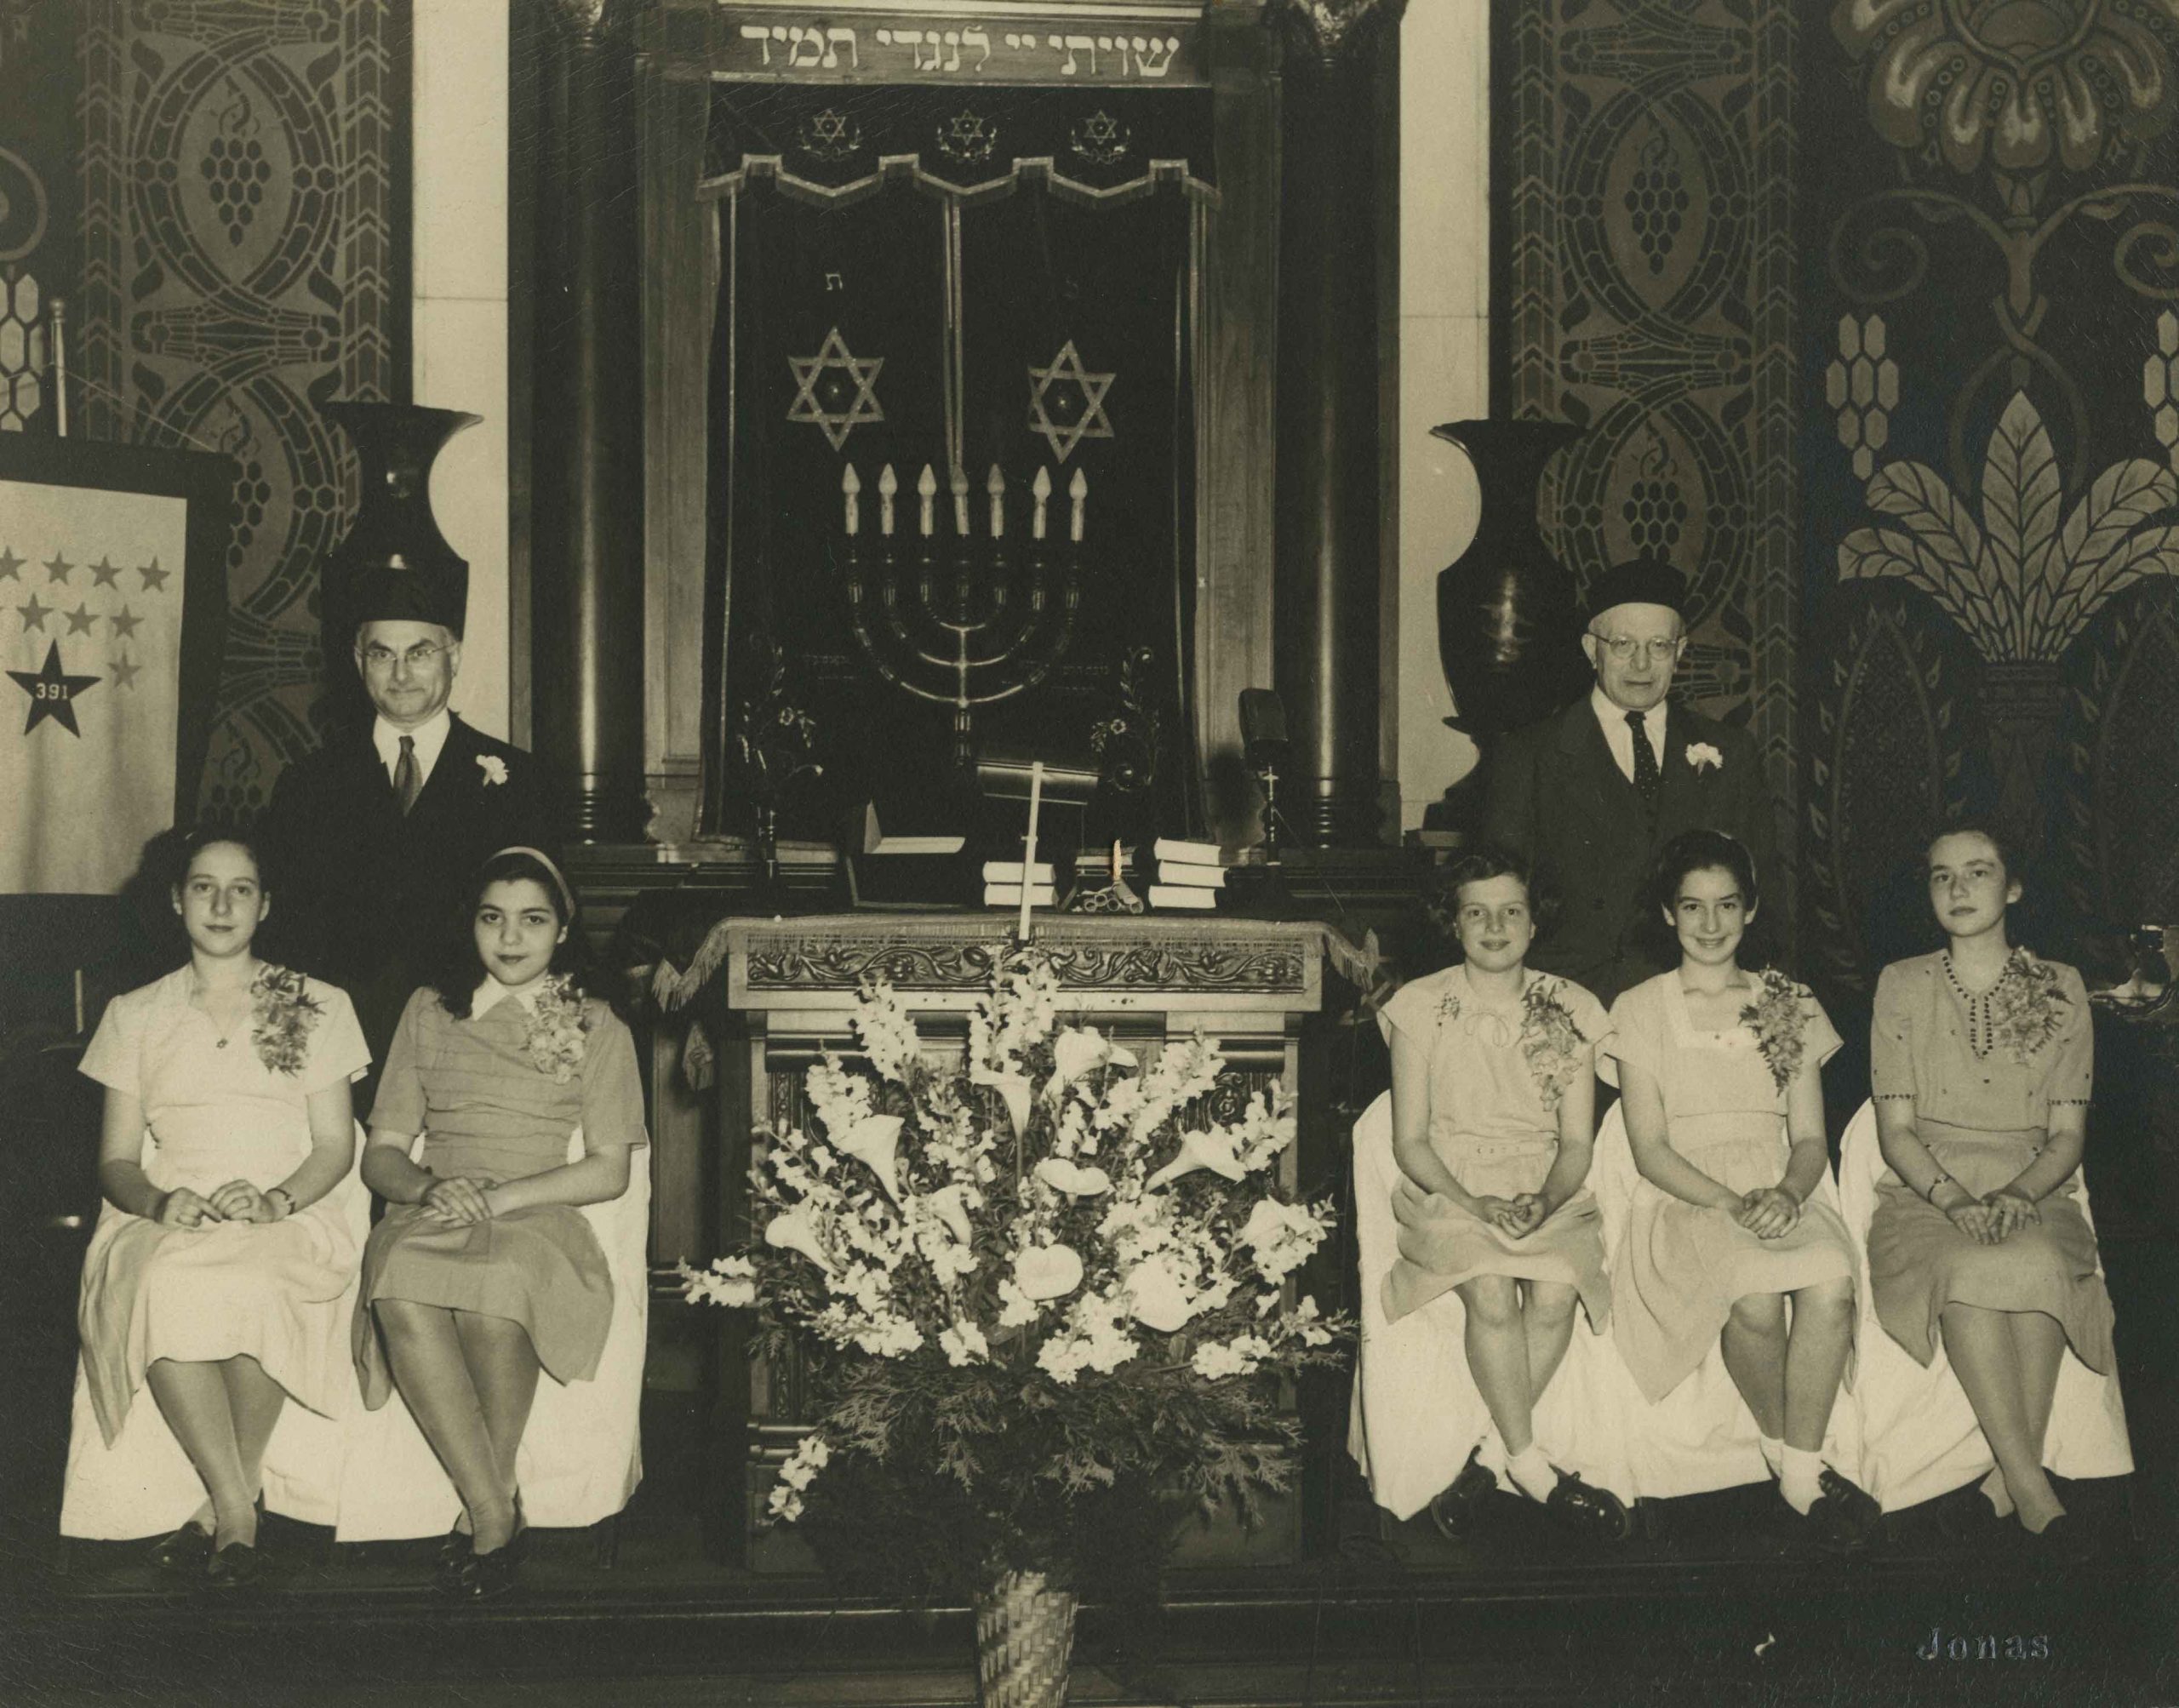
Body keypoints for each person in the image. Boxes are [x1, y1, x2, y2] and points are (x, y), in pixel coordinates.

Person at [71, 830, 370, 1585]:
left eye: (241, 889)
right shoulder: (133, 1012)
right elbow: (115, 1159)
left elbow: (335, 1145)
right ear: (176, 900)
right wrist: (161, 1200)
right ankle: (238, 1504)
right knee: (166, 1283)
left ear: (265, 905)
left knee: (261, 1279)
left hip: (292, 1200)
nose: (222, 903)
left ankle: (219, 1511)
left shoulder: (319, 1003)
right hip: (168, 1201)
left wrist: (278, 1199)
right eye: (204, 886)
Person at [352, 848, 645, 1600]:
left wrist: (503, 1198)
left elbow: (609, 1167)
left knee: (498, 1282)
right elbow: (381, 1154)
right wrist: (428, 1186)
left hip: (536, 1212)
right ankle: (495, 1505)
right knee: (400, 1283)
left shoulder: (598, 1022)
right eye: (493, 917)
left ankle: (487, 1506)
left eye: (533, 919)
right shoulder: (428, 1008)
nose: (511, 937)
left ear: (563, 929)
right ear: (471, 924)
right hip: (436, 1202)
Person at [1603, 830, 1873, 1549]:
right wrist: (1730, 1201)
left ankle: (1794, 1467)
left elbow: (1811, 1137)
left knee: (1831, 1283)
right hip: (1688, 1195)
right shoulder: (1640, 1007)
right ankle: (1803, 1473)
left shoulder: (1787, 1000)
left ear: (1751, 911)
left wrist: (1786, 1192)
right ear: (1668, 914)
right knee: (1752, 1294)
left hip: (1780, 1186)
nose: (1711, 923)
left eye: (1727, 905)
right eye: (1692, 906)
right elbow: (1650, 1148)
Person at [1865, 822, 2113, 1554]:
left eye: (1978, 872)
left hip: (2030, 1184)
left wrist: (2017, 1195)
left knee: (2038, 1262)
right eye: (1942, 875)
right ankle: (2033, 1491)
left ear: (2013, 887)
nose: (1959, 888)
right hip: (1927, 1188)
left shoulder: (2060, 985)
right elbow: (1896, 1130)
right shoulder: (1901, 983)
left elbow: (2067, 1136)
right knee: (1969, 1267)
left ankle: (2010, 1482)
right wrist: (1955, 1200)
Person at [1378, 849, 1623, 1537]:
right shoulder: (1420, 1005)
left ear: (1534, 921)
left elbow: (1577, 1144)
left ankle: (1488, 1460)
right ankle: (1533, 1466)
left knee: (1554, 1291)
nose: (1495, 925)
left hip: (1544, 1183)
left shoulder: (1571, 1006)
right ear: (1452, 924)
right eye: (1476, 911)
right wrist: (1471, 1202)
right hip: (1449, 1186)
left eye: (1511, 910)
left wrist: (1544, 1200)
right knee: (1488, 1287)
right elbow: (1411, 1142)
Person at [260, 558, 550, 1077]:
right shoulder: (307, 785)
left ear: (454, 656)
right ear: (357, 660)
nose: (400, 674)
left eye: (419, 653)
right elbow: (284, 935)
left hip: (474, 1047)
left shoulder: (520, 784)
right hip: (345, 1052)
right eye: (381, 654)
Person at [1484, 558, 1776, 1005]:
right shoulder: (1530, 755)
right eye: (1622, 644)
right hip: (1572, 1006)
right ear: (1590, 649)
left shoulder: (1731, 753)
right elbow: (1498, 904)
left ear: (1680, 651)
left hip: (1696, 1002)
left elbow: (1765, 899)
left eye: (1659, 645)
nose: (1641, 663)